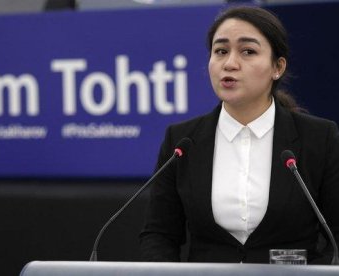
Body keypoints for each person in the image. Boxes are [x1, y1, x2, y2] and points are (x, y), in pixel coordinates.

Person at [139, 5, 339, 264]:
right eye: (220, 51)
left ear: (277, 67)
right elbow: (159, 235)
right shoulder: (182, 140)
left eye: (248, 51)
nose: (230, 63)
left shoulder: (318, 137)